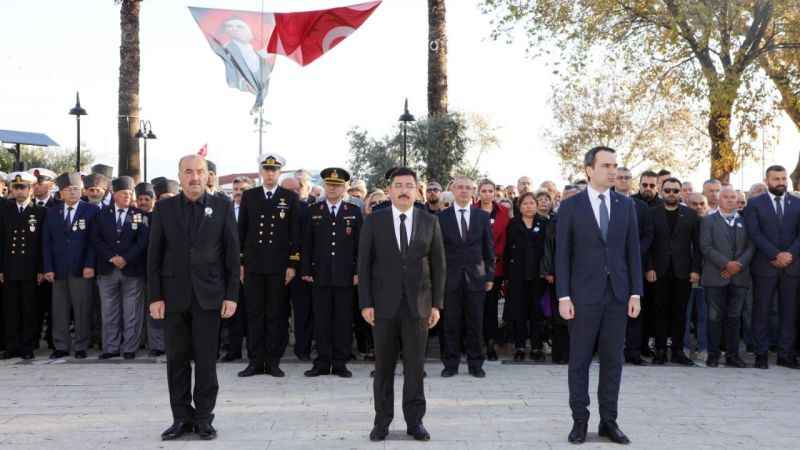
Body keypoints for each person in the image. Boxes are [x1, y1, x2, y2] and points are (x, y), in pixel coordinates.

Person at [147, 155, 240, 441]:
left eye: (200, 171)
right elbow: (154, 255)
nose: (194, 177)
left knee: (206, 362)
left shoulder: (223, 206)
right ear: (179, 176)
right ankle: (181, 418)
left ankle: (203, 419)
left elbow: (232, 254)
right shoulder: (164, 208)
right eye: (188, 172)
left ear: (208, 175)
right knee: (176, 361)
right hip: (173, 297)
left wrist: (232, 295)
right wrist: (155, 296)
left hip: (209, 296)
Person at [556, 146, 642, 445]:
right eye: (606, 165)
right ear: (589, 170)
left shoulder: (625, 205)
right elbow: (562, 255)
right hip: (582, 297)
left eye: (615, 165)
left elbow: (633, 252)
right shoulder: (571, 206)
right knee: (579, 361)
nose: (612, 170)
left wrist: (635, 293)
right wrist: (563, 297)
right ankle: (579, 421)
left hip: (618, 296)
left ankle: (609, 422)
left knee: (613, 362)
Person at [358, 167, 445, 442]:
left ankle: (415, 422)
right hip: (383, 307)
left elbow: (439, 266)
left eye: (409, 185)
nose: (404, 190)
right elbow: (364, 264)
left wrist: (436, 305)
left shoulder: (430, 221)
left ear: (417, 190)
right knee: (383, 368)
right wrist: (365, 303)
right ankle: (381, 422)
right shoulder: (375, 221)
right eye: (398, 185)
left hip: (418, 307)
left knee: (415, 368)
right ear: (390, 190)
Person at [237, 154, 301, 378]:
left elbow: (294, 232)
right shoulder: (250, 196)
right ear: (261, 172)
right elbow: (241, 230)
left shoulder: (289, 197)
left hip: (278, 266)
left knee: (276, 314)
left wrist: (292, 264)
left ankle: (273, 361)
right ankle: (255, 361)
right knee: (254, 314)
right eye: (266, 169)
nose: (270, 173)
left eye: (274, 170)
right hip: (253, 265)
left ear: (279, 172)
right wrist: (241, 262)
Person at [301, 168, 362, 377]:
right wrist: (306, 269)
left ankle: (340, 363)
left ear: (345, 188)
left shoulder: (353, 211)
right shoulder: (313, 210)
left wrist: (358, 272)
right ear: (324, 186)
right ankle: (322, 362)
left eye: (337, 185)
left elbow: (360, 246)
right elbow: (306, 243)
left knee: (343, 320)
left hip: (345, 276)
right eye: (329, 185)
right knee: (321, 320)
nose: (333, 188)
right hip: (320, 275)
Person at [744, 165, 800, 369]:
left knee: (789, 312)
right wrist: (775, 254)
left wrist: (789, 255)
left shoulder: (797, 203)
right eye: (776, 179)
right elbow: (754, 233)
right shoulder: (754, 203)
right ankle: (761, 353)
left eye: (784, 178)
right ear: (767, 180)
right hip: (764, 266)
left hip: (792, 266)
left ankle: (785, 354)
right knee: (761, 311)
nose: (781, 182)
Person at [438, 176, 494, 377]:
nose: (463, 191)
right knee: (450, 323)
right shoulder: (441, 217)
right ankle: (450, 364)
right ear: (452, 190)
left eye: (468, 188)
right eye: (460, 187)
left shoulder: (482, 217)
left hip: (476, 278)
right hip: (449, 279)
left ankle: (476, 364)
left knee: (475, 323)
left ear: (473, 192)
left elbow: (488, 249)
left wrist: (489, 276)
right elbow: (437, 251)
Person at [43, 173, 99, 360]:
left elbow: (93, 241)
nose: (72, 192)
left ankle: (81, 345)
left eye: (75, 189)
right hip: (58, 269)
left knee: (82, 308)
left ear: (81, 190)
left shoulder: (91, 210)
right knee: (59, 309)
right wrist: (48, 267)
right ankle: (61, 345)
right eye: (68, 189)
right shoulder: (52, 212)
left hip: (82, 268)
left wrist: (90, 264)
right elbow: (47, 242)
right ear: (61, 193)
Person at [92, 176, 149, 360]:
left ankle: (130, 348)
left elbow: (142, 241)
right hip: (107, 269)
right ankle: (111, 348)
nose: (128, 196)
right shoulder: (101, 214)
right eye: (124, 193)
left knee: (132, 312)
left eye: (130, 193)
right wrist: (112, 257)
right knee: (109, 311)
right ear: (114, 194)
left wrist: (126, 258)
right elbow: (96, 239)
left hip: (132, 270)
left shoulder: (138, 214)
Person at [646, 177, 701, 366]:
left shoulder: (691, 215)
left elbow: (697, 246)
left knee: (680, 312)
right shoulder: (651, 213)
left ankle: (678, 351)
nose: (671, 194)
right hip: (658, 271)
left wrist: (696, 270)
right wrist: (649, 267)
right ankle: (660, 350)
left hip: (683, 272)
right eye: (667, 190)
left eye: (675, 191)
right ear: (661, 191)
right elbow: (647, 244)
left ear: (680, 193)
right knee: (659, 311)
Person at [699, 186, 754, 368]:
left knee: (735, 317)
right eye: (726, 197)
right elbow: (705, 247)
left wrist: (738, 265)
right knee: (714, 317)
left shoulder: (746, 221)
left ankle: (733, 355)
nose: (730, 200)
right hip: (715, 276)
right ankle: (713, 355)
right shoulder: (708, 221)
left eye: (733, 197)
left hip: (740, 276)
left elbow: (751, 246)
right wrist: (726, 265)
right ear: (718, 199)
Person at [0, 172, 45, 360]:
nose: (19, 191)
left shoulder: (40, 212)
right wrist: (1, 268)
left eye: (23, 187)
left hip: (30, 268)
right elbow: (1, 241)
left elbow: (43, 243)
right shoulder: (5, 210)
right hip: (10, 267)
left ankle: (27, 346)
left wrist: (41, 269)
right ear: (11, 189)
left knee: (29, 308)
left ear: (30, 189)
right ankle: (12, 346)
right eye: (16, 187)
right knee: (10, 308)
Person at [504, 192, 549, 362]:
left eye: (531, 203)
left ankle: (536, 347)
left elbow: (548, 250)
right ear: (519, 207)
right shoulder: (513, 224)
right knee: (519, 312)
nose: (528, 206)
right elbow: (508, 250)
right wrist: (507, 274)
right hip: (517, 275)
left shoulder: (544, 223)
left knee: (537, 312)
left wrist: (548, 271)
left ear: (536, 205)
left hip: (538, 275)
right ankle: (520, 346)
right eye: (525, 203)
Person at [220, 176, 253, 362]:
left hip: (251, 268)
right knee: (232, 310)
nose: (239, 193)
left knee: (252, 310)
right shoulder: (225, 209)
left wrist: (245, 263)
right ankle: (233, 350)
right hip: (229, 268)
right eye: (236, 189)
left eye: (243, 189)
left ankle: (253, 351)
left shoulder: (256, 209)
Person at [476, 179, 509, 361]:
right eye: (484, 191)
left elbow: (506, 238)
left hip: (496, 266)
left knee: (491, 307)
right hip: (475, 266)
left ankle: (490, 344)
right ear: (479, 192)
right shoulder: (472, 210)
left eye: (490, 191)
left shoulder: (503, 212)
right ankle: (476, 343)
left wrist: (495, 256)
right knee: (475, 306)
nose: (487, 194)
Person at [29, 168, 57, 350]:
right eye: (34, 184)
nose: (36, 186)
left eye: (40, 183)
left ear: (51, 185)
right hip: (32, 265)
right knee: (34, 305)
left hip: (54, 264)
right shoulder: (27, 206)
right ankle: (33, 339)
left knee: (55, 305)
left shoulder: (58, 206)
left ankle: (54, 339)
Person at [135, 182, 163, 357]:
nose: (143, 202)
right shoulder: (133, 216)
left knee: (155, 306)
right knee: (138, 309)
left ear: (153, 200)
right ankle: (140, 341)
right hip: (136, 269)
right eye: (140, 199)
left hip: (157, 269)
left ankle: (157, 344)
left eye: (147, 199)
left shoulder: (160, 217)